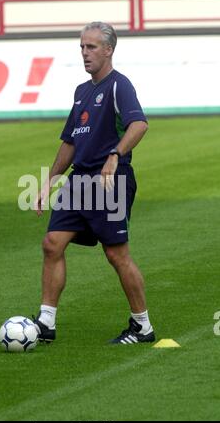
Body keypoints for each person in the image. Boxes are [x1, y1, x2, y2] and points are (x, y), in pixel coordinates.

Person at [33, 21, 155, 345]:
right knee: (52, 244)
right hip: (79, 184)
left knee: (116, 254)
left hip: (109, 184)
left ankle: (142, 326)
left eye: (91, 47)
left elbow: (139, 125)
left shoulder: (119, 86)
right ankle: (46, 322)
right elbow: (70, 142)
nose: (85, 53)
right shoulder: (81, 92)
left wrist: (115, 154)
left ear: (108, 50)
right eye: (82, 47)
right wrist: (49, 183)